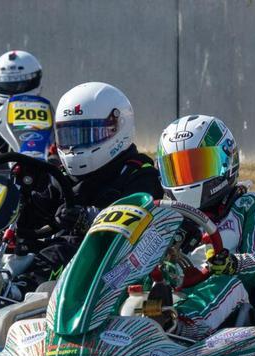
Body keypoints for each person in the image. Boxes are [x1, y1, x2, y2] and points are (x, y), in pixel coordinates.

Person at [15, 82, 163, 285]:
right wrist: (18, 205)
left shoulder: (139, 173)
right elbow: (37, 212)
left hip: (110, 264)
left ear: (118, 128)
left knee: (62, 248)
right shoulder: (62, 175)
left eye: (87, 135)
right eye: (70, 135)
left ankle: (18, 290)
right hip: (57, 257)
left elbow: (140, 220)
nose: (76, 146)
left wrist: (87, 219)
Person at [155, 114, 255, 340]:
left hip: (226, 287)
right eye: (178, 169)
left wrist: (233, 264)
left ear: (227, 161)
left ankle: (181, 327)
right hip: (170, 287)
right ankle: (113, 326)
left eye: (198, 166)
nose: (188, 179)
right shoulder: (163, 214)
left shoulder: (254, 206)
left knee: (224, 283)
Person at [0, 50, 44, 161]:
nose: (14, 92)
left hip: (43, 163)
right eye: (7, 86)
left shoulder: (46, 113)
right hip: (3, 170)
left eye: (20, 86)